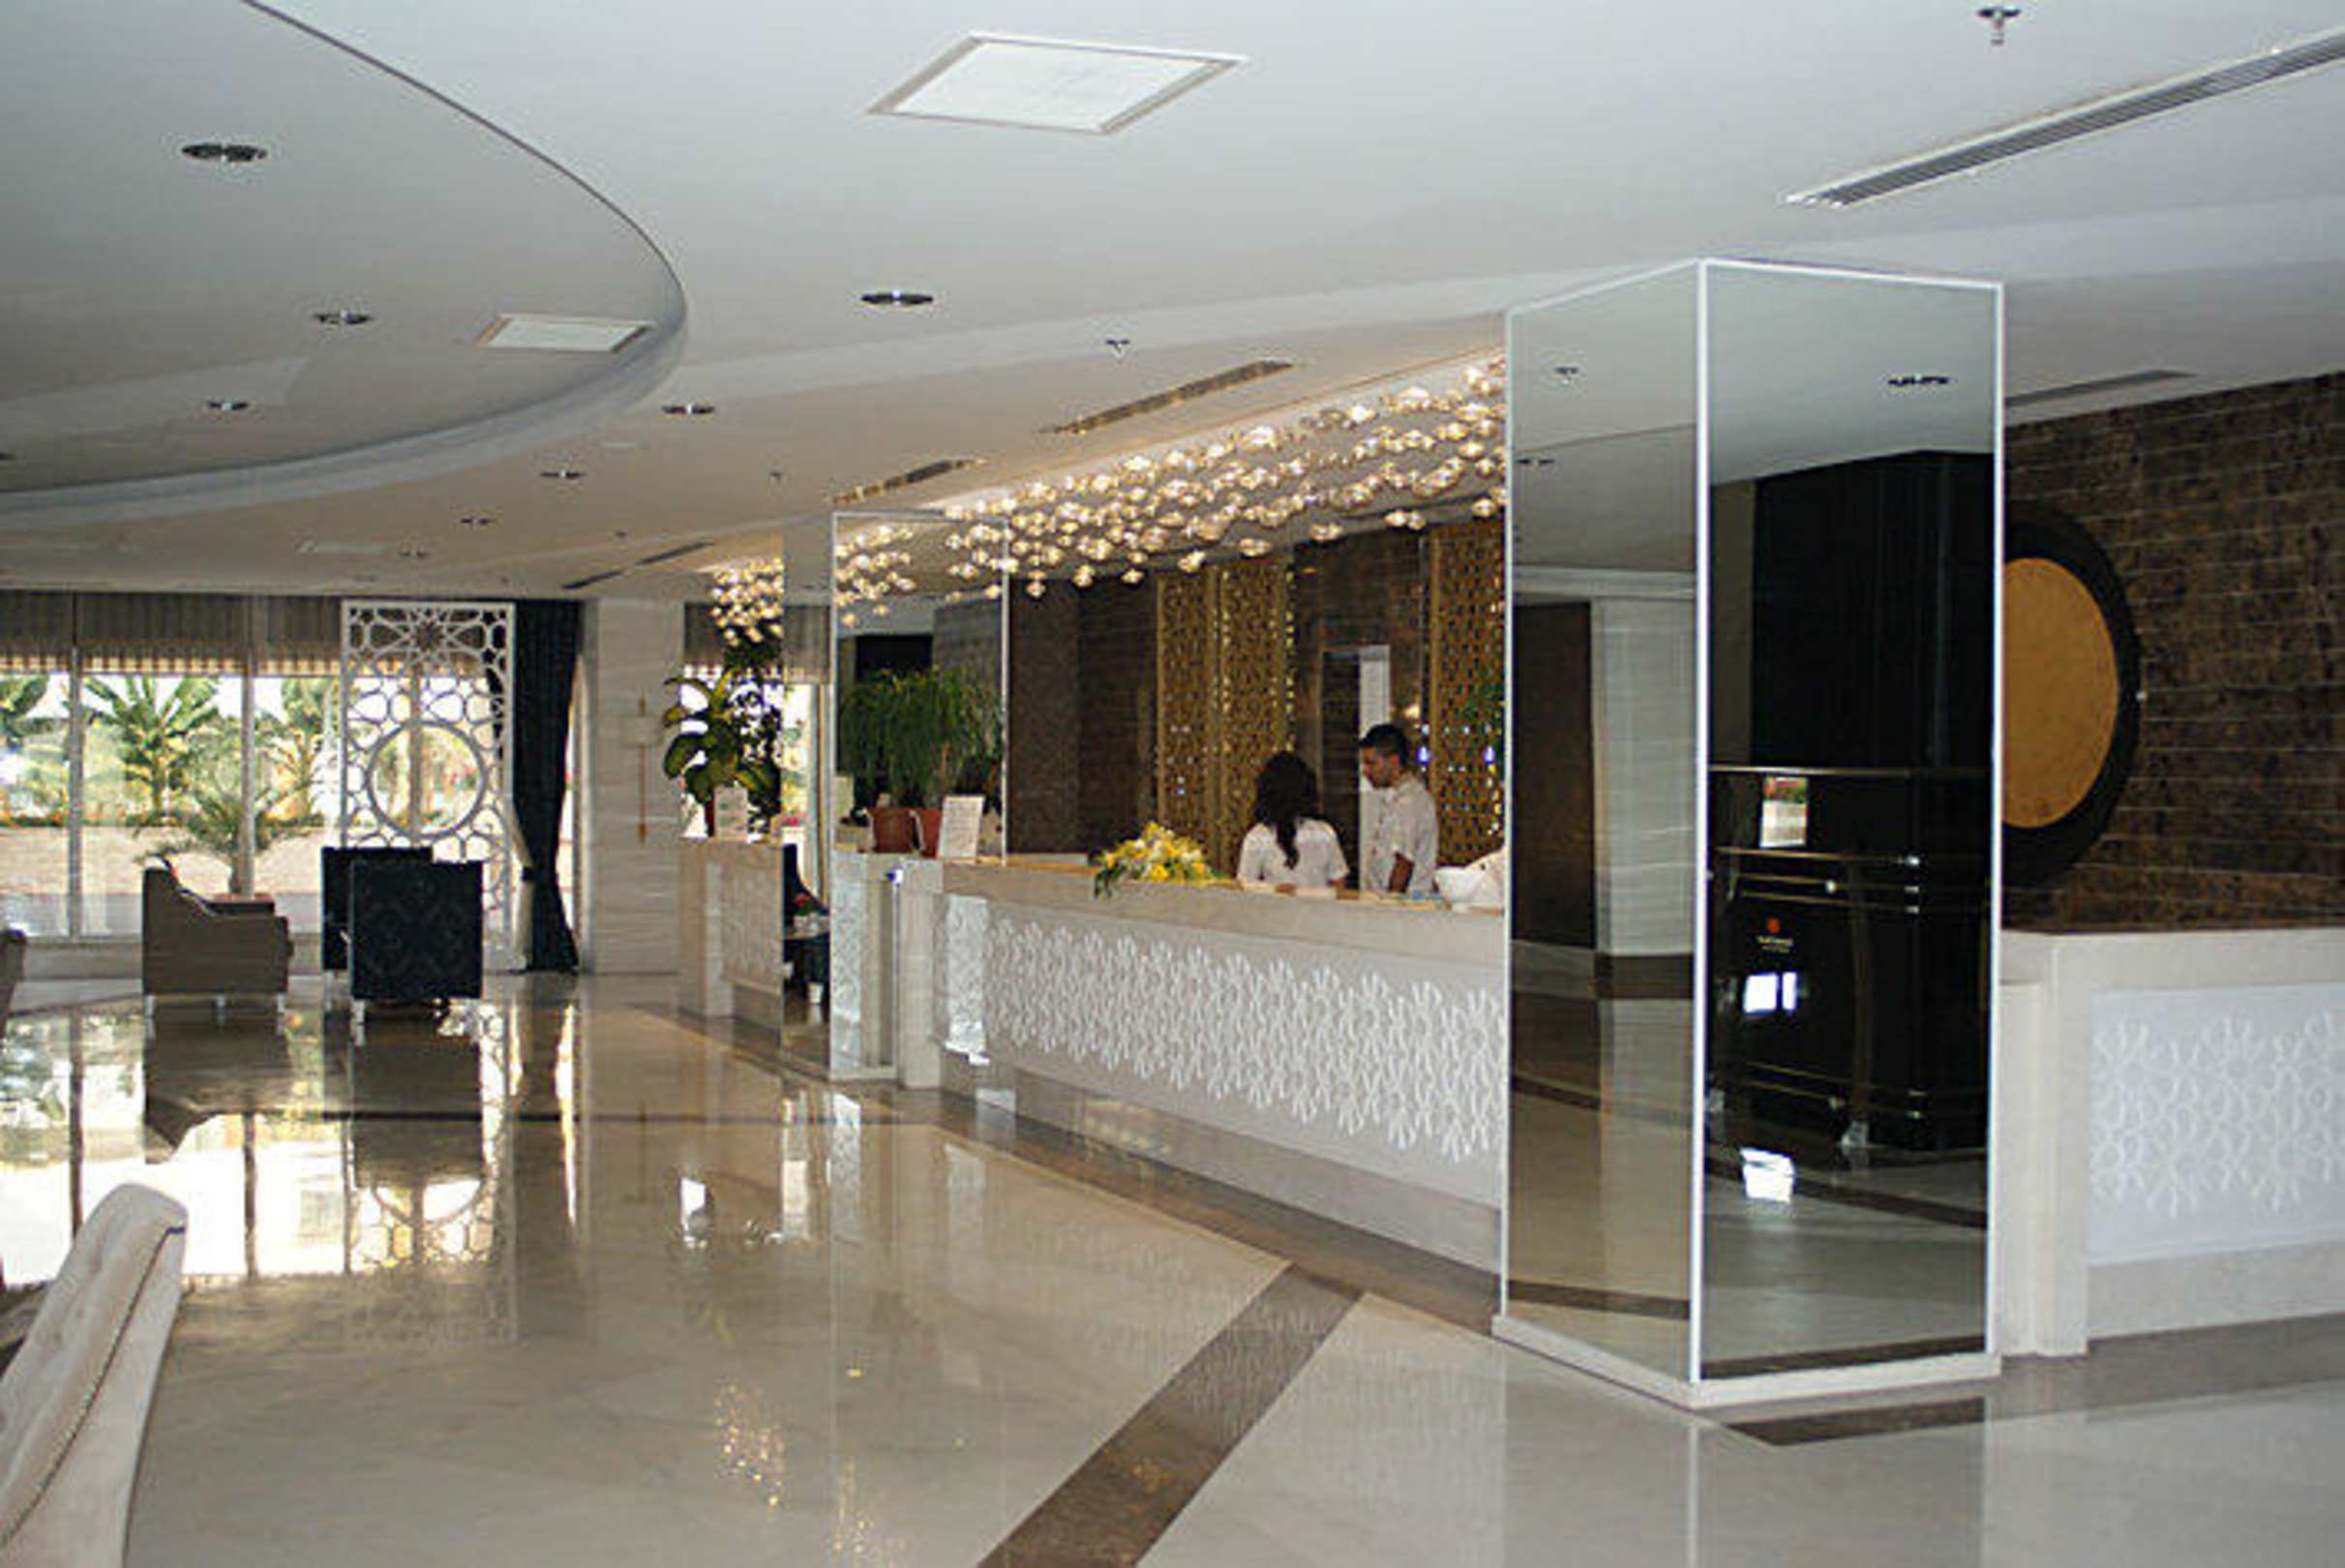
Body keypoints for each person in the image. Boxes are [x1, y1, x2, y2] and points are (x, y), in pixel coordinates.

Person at [1236, 751, 1348, 890]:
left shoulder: (1257, 837)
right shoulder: (1324, 832)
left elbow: (1245, 889)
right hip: (1319, 905)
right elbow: (1339, 883)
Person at [1359, 722, 1437, 895]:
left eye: (1371, 763)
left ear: (1394, 762)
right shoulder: (1397, 797)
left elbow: (1403, 862)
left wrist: (1390, 904)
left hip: (1404, 903)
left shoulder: (1409, 802)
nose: (1366, 771)